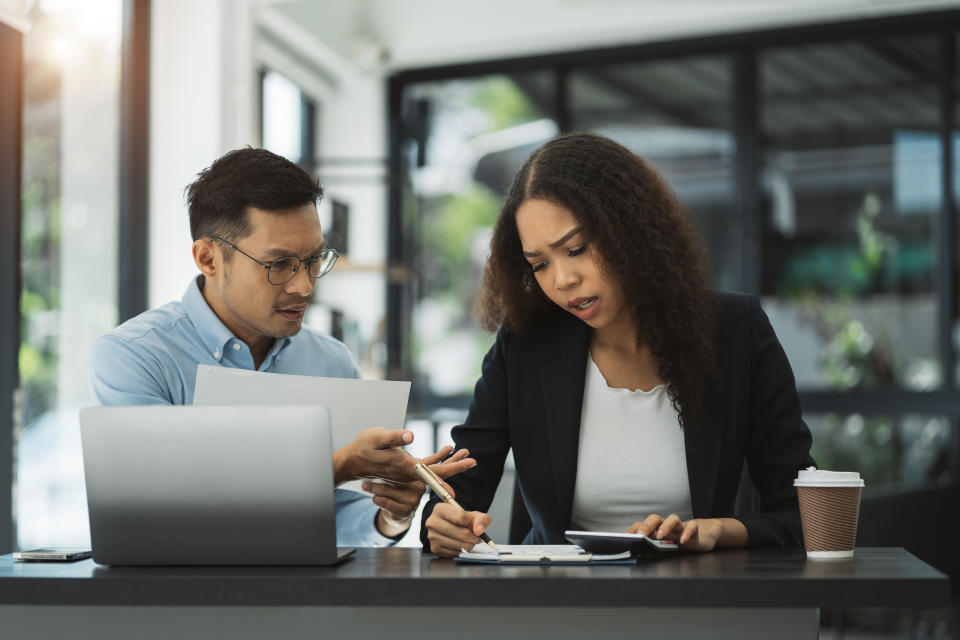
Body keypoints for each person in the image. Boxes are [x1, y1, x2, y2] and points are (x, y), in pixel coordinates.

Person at [422, 133, 816, 557]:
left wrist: (718, 530)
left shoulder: (735, 333)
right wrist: (443, 524)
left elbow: (802, 514)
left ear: (630, 228)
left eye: (576, 249)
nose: (562, 280)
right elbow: (456, 495)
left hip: (696, 604)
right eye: (539, 264)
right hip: (560, 607)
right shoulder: (523, 348)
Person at [89, 147, 474, 547]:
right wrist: (336, 467)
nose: (304, 286)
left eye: (312, 260)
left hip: (308, 600)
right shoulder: (135, 357)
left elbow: (343, 518)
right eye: (279, 265)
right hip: (179, 601)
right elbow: (165, 508)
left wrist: (391, 516)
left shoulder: (330, 360)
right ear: (208, 259)